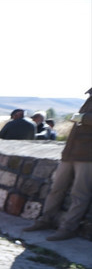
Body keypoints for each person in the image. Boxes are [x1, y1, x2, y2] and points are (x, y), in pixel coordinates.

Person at [23, 88, 92, 241]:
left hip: (88, 156)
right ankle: (45, 220)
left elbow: (82, 120)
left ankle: (68, 229)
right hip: (70, 153)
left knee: (79, 194)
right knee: (56, 189)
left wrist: (82, 117)